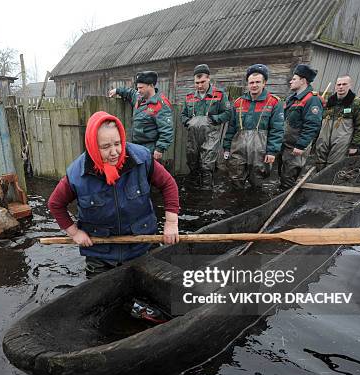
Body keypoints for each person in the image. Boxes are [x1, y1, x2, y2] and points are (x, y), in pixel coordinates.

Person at [48, 111, 180, 276]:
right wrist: (74, 232)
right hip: (100, 254)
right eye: (105, 147)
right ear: (92, 146)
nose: (114, 152)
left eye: (117, 143)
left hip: (142, 245)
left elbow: (168, 184)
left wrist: (171, 222)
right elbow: (55, 204)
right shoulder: (76, 174)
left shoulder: (142, 158)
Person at [223, 64, 284, 189]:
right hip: (238, 149)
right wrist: (226, 147)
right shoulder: (238, 102)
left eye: (257, 82)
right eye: (251, 82)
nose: (254, 85)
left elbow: (277, 129)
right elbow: (231, 128)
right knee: (235, 179)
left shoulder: (274, 102)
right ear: (247, 84)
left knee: (257, 181)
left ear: (264, 83)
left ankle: (255, 204)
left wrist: (272, 151)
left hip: (260, 151)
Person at [180, 64, 231, 189]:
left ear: (209, 79)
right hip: (193, 137)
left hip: (210, 135)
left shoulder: (219, 95)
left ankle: (206, 192)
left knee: (207, 164)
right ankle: (194, 190)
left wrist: (213, 119)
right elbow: (182, 115)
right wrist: (188, 122)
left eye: (202, 82)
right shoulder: (189, 97)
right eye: (197, 82)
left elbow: (228, 113)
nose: (199, 85)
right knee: (192, 162)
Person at [108, 71, 174, 160]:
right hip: (135, 146)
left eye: (141, 88)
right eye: (137, 88)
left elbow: (166, 129)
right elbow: (130, 92)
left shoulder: (160, 105)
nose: (138, 90)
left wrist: (160, 149)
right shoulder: (139, 97)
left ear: (151, 85)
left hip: (149, 149)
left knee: (148, 173)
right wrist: (117, 91)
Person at [279, 64, 323, 190]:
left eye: (294, 79)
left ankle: (285, 203)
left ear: (303, 81)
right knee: (282, 174)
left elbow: (312, 125)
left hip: (296, 146)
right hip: (285, 144)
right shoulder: (292, 98)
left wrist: (301, 145)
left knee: (289, 177)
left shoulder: (312, 99)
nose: (290, 81)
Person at [315, 75, 360, 171]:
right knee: (319, 165)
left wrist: (355, 146)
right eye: (339, 84)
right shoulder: (328, 103)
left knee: (334, 168)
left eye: (344, 84)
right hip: (323, 142)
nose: (341, 87)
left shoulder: (357, 103)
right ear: (335, 86)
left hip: (341, 144)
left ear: (350, 86)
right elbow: (319, 123)